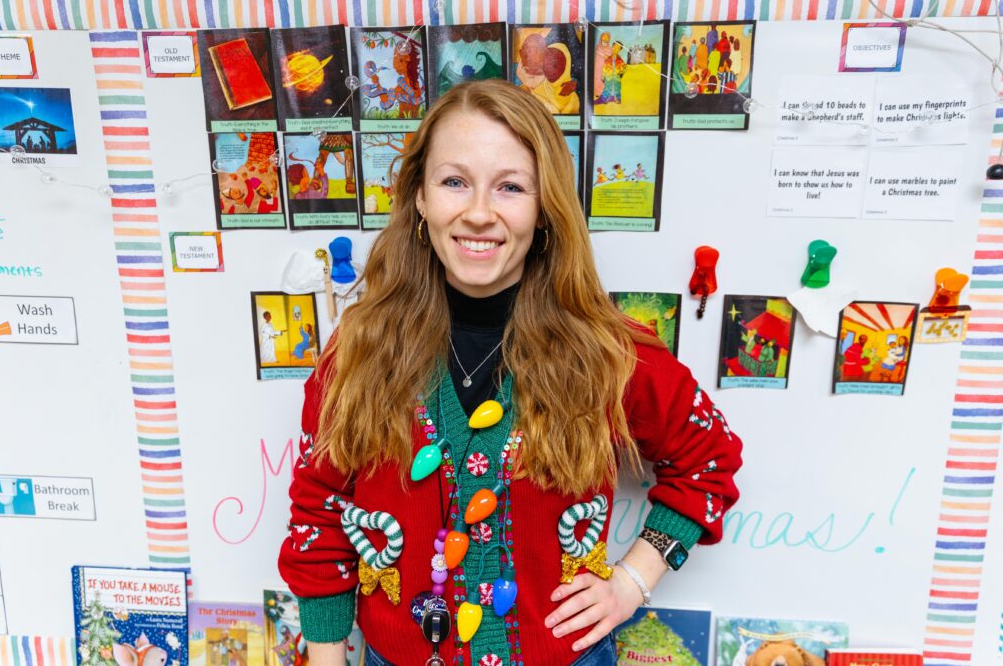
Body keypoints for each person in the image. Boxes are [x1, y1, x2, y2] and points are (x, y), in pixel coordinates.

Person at [278, 80, 742, 666]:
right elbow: (320, 507)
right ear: (419, 197)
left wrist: (632, 582)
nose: (478, 213)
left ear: (545, 206)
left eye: (510, 187)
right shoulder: (360, 351)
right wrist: (325, 657)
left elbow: (710, 459)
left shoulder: (606, 354)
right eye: (454, 182)